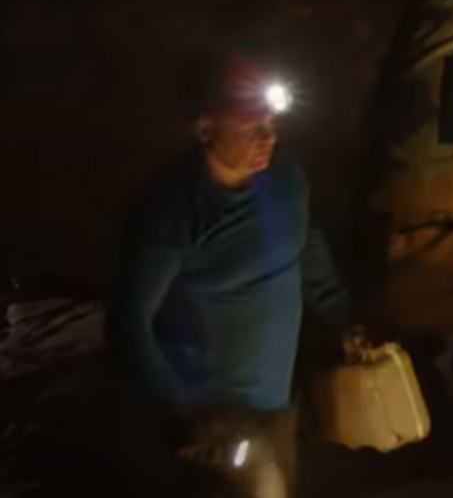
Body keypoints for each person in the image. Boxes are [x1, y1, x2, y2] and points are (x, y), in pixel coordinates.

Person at [107, 51, 356, 498]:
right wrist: (182, 410)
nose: (267, 139)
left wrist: (341, 315)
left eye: (272, 126)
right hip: (216, 414)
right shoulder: (173, 212)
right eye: (250, 129)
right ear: (205, 130)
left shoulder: (285, 180)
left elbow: (305, 242)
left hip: (277, 402)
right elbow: (130, 317)